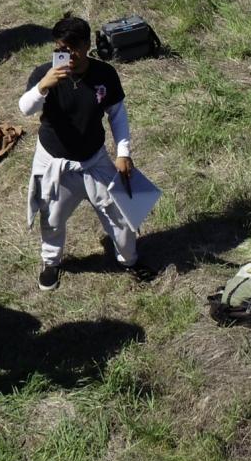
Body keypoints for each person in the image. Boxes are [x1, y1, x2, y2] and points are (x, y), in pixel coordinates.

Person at [21, 14, 154, 290]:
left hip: (94, 160)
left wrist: (123, 152)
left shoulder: (104, 74)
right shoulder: (45, 74)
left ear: (85, 46)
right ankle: (51, 262)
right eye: (59, 48)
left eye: (70, 48)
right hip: (55, 162)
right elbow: (25, 108)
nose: (65, 55)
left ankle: (129, 260)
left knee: (120, 215)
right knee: (52, 217)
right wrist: (44, 86)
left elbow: (117, 114)